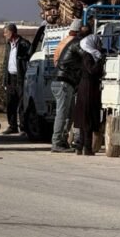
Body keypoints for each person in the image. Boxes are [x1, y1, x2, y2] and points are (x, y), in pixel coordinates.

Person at [50, 23, 83, 153]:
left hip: (62, 81)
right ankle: (57, 142)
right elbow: (85, 55)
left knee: (68, 114)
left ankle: (63, 141)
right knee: (62, 114)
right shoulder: (75, 43)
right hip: (63, 82)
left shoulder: (66, 41)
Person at [72, 30, 104, 155]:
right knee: (88, 118)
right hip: (88, 89)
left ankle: (81, 146)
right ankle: (86, 147)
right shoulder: (89, 55)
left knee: (84, 119)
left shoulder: (90, 54)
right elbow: (91, 70)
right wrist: (100, 62)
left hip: (87, 88)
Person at [1, 23, 31, 135]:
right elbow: (6, 62)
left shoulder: (24, 44)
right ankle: (12, 126)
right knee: (10, 103)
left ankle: (23, 127)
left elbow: (29, 58)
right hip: (10, 78)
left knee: (22, 104)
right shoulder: (8, 45)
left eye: (6, 32)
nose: (4, 35)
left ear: (12, 32)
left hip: (21, 78)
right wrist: (4, 80)